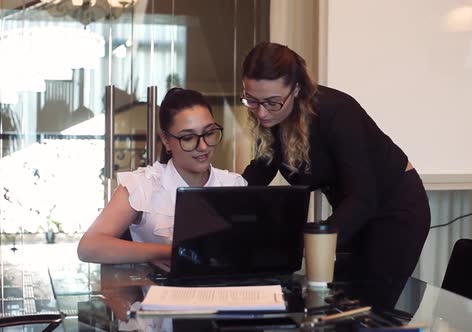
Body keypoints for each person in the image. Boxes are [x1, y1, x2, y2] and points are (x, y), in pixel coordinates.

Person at [240, 42, 431, 293]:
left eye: (272, 102)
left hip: (396, 208)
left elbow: (363, 197)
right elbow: (259, 172)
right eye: (252, 100)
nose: (262, 113)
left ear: (296, 89)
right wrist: (221, 207)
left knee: (368, 306)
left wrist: (310, 243)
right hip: (353, 210)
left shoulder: (337, 112)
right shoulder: (274, 116)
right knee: (338, 302)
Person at [77, 88, 247, 264]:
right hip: (161, 291)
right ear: (166, 140)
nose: (203, 146)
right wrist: (173, 252)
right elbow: (89, 247)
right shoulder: (144, 184)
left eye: (209, 133)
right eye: (188, 138)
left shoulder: (233, 183)